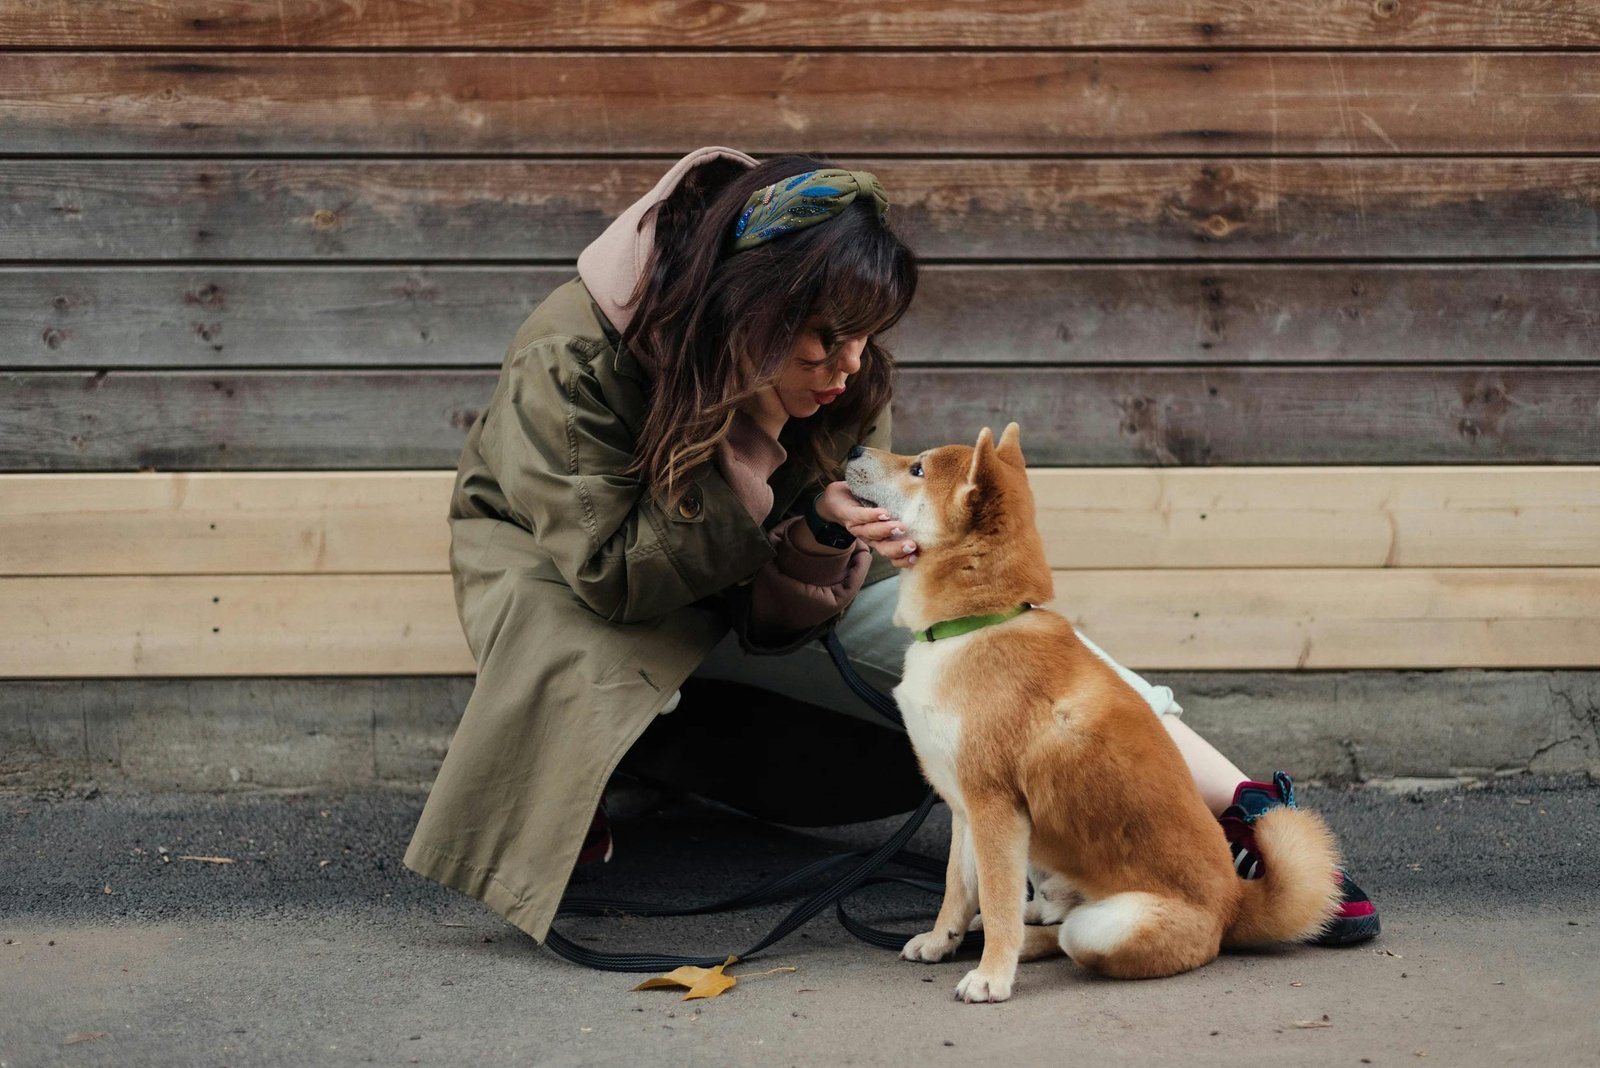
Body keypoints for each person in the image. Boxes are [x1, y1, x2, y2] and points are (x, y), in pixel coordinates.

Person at [403, 145, 1379, 949]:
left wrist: (824, 523)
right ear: (745, 309)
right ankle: (582, 784)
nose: (848, 369)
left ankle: (1235, 809)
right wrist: (747, 445)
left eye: (865, 339)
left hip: (744, 570)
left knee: (999, 641)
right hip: (577, 580)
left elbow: (806, 510)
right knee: (582, 638)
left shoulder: (828, 362)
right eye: (822, 341)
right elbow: (609, 574)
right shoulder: (571, 352)